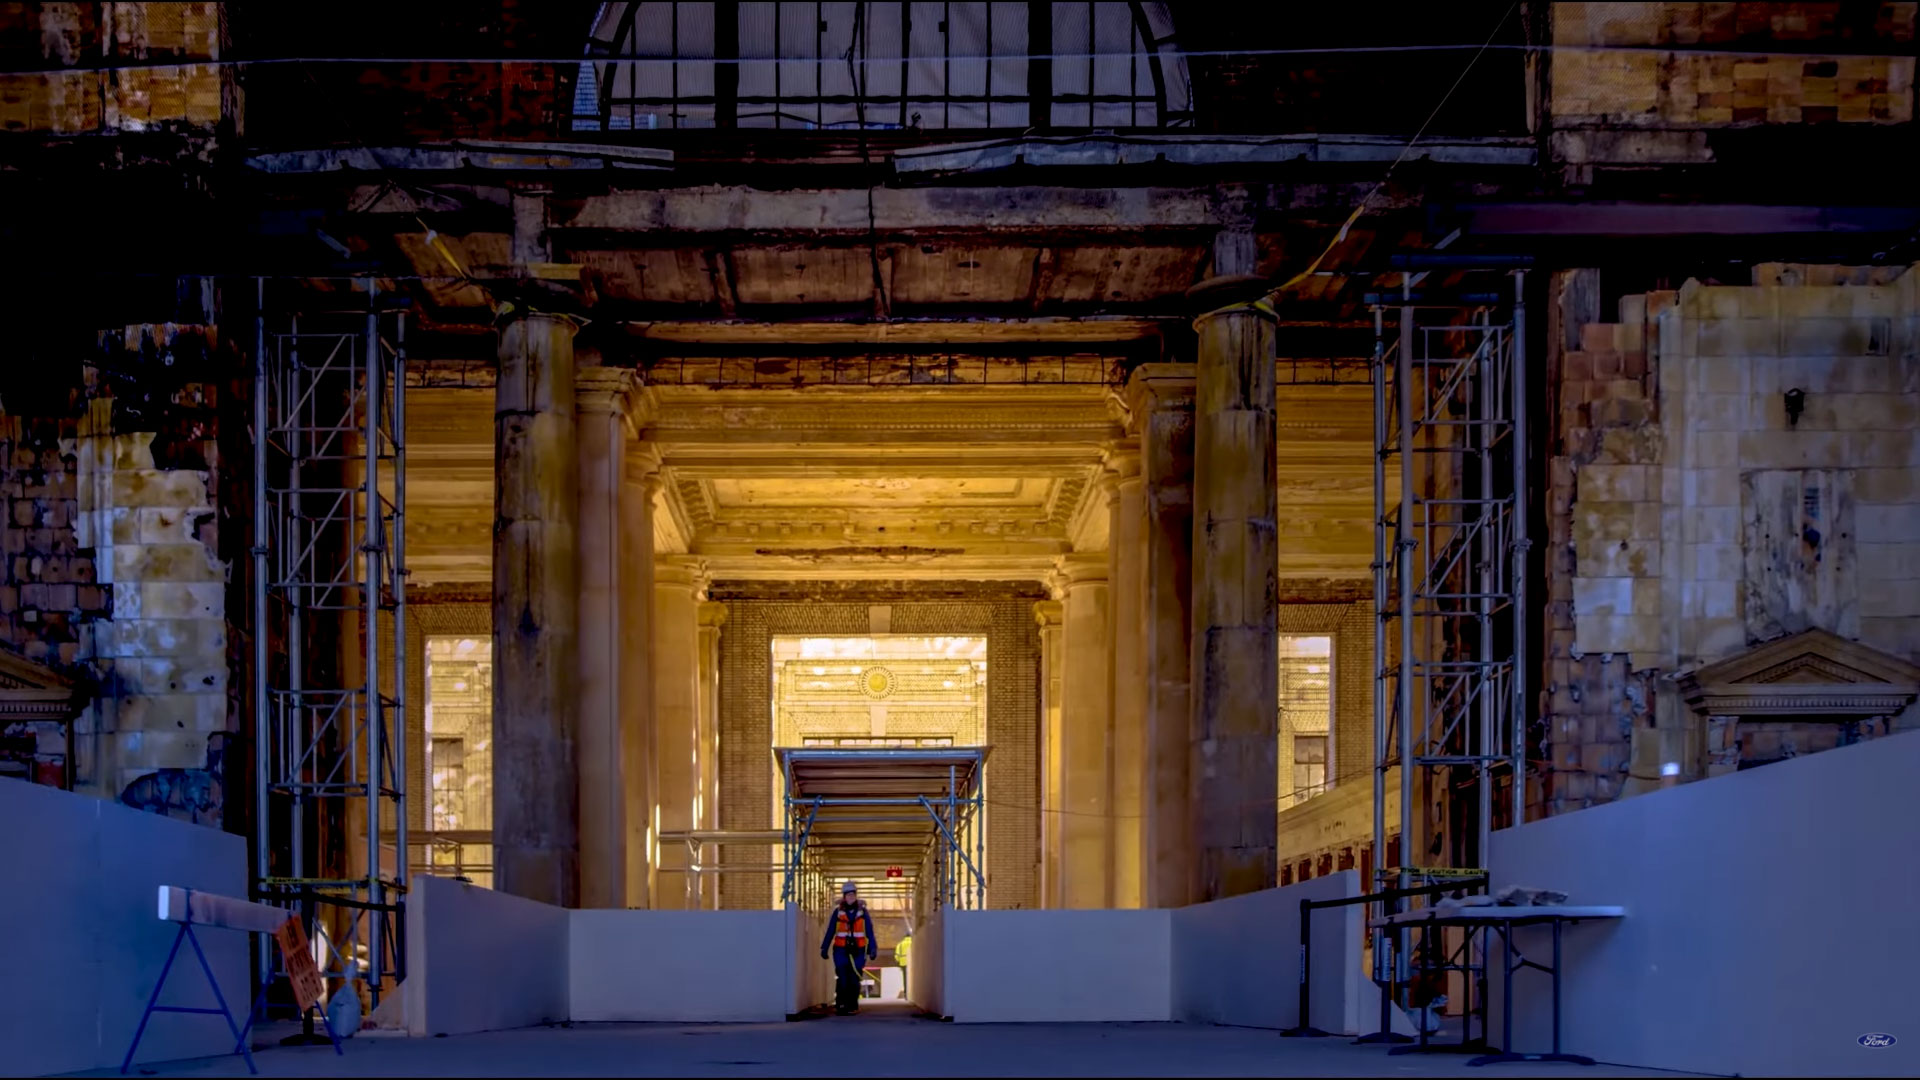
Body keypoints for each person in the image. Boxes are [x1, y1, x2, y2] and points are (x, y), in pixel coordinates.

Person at [820, 880, 878, 1015]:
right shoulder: (838, 913)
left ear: (856, 895)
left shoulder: (863, 912)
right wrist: (824, 947)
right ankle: (841, 1004)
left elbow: (869, 930)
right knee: (843, 977)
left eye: (853, 894)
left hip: (858, 951)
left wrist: (873, 948)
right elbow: (830, 930)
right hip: (841, 950)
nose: (851, 897)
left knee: (854, 978)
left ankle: (852, 1004)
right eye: (848, 895)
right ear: (844, 897)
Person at [894, 925, 912, 999]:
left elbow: (897, 955)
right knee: (912, 980)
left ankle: (906, 993)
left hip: (903, 963)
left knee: (905, 979)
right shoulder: (914, 942)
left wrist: (898, 961)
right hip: (912, 964)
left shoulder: (900, 944)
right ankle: (913, 992)